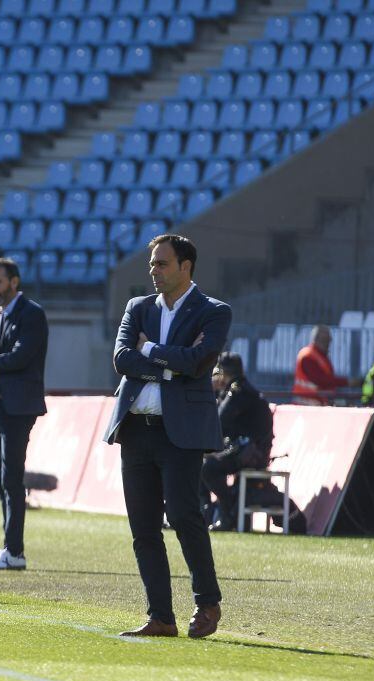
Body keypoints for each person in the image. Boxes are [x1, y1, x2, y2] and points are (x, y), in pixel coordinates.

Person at [103, 234, 231, 639]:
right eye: (152, 264)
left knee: (183, 516)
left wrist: (152, 351)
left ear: (185, 266)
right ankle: (161, 617)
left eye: (161, 263)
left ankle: (207, 603)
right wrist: (170, 361)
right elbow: (122, 359)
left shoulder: (214, 311)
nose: (153, 271)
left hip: (181, 434)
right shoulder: (137, 307)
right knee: (143, 527)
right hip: (136, 431)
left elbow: (198, 363)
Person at [0, 258, 49, 570]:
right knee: (2, 479)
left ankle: (15, 552)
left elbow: (22, 356)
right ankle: (8, 546)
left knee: (12, 476)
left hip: (18, 406)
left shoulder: (32, 314)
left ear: (14, 282)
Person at [200, 353, 274, 531]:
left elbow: (219, 420)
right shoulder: (239, 389)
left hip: (251, 453)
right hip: (243, 449)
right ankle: (205, 515)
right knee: (198, 464)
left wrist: (215, 391)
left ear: (223, 373)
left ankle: (229, 512)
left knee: (207, 467)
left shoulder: (239, 391)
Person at [291, 325, 355, 405]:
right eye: (325, 340)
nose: (328, 343)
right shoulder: (308, 356)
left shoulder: (322, 357)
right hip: (305, 405)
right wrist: (347, 382)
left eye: (328, 340)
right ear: (316, 339)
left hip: (317, 404)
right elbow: (321, 380)